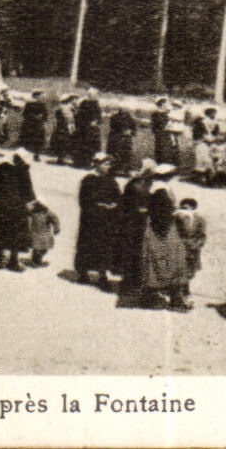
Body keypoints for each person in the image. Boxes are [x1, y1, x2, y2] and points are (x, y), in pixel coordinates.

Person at [140, 168, 191, 310]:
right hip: (163, 230)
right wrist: (176, 215)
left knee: (161, 261)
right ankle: (164, 297)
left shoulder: (157, 188)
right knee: (166, 261)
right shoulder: (160, 191)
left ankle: (162, 296)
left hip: (161, 228)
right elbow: (162, 213)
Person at [74, 154, 121, 287]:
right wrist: (98, 207)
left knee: (104, 246)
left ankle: (102, 274)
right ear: (97, 164)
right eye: (105, 164)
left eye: (109, 164)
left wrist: (114, 205)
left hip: (106, 220)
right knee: (87, 245)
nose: (108, 167)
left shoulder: (111, 180)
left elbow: (118, 197)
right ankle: (83, 272)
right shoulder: (88, 180)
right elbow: (84, 200)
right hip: (91, 220)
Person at [115, 159, 156, 306]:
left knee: (137, 252)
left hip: (139, 223)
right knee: (132, 252)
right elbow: (128, 205)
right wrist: (143, 210)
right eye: (151, 172)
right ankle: (129, 283)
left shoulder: (143, 184)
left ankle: (133, 281)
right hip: (132, 223)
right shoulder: (135, 186)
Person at [0, 150, 35, 270]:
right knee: (14, 233)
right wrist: (30, 201)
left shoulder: (2, 167)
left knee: (0, 231)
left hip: (3, 204)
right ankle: (12, 261)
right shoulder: (23, 170)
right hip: (16, 206)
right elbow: (27, 189)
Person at [175, 196, 207, 308]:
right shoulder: (176, 218)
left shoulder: (199, 219)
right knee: (180, 272)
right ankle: (183, 294)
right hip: (179, 248)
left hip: (193, 250)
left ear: (193, 208)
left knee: (189, 272)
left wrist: (197, 244)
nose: (184, 211)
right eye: (183, 208)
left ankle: (183, 292)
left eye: (187, 208)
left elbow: (202, 235)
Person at [27, 190, 60, 267]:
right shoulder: (33, 212)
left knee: (42, 249)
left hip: (44, 234)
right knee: (38, 249)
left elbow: (55, 219)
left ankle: (36, 260)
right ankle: (36, 261)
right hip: (38, 233)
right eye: (37, 205)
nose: (38, 207)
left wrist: (56, 228)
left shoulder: (47, 213)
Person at [191, 107, 222, 185]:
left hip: (212, 143)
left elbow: (216, 133)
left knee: (214, 158)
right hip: (202, 142)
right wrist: (204, 138)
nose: (214, 115)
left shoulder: (215, 123)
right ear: (208, 113)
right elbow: (197, 134)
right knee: (203, 159)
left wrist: (214, 138)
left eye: (215, 113)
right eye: (212, 113)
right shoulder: (201, 122)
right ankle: (203, 176)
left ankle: (211, 177)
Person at [106, 107, 137, 171]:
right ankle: (116, 167)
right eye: (121, 108)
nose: (122, 109)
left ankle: (125, 167)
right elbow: (112, 128)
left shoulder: (129, 118)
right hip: (117, 138)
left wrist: (130, 132)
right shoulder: (115, 117)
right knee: (116, 153)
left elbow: (133, 128)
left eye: (124, 108)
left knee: (126, 153)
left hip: (126, 139)